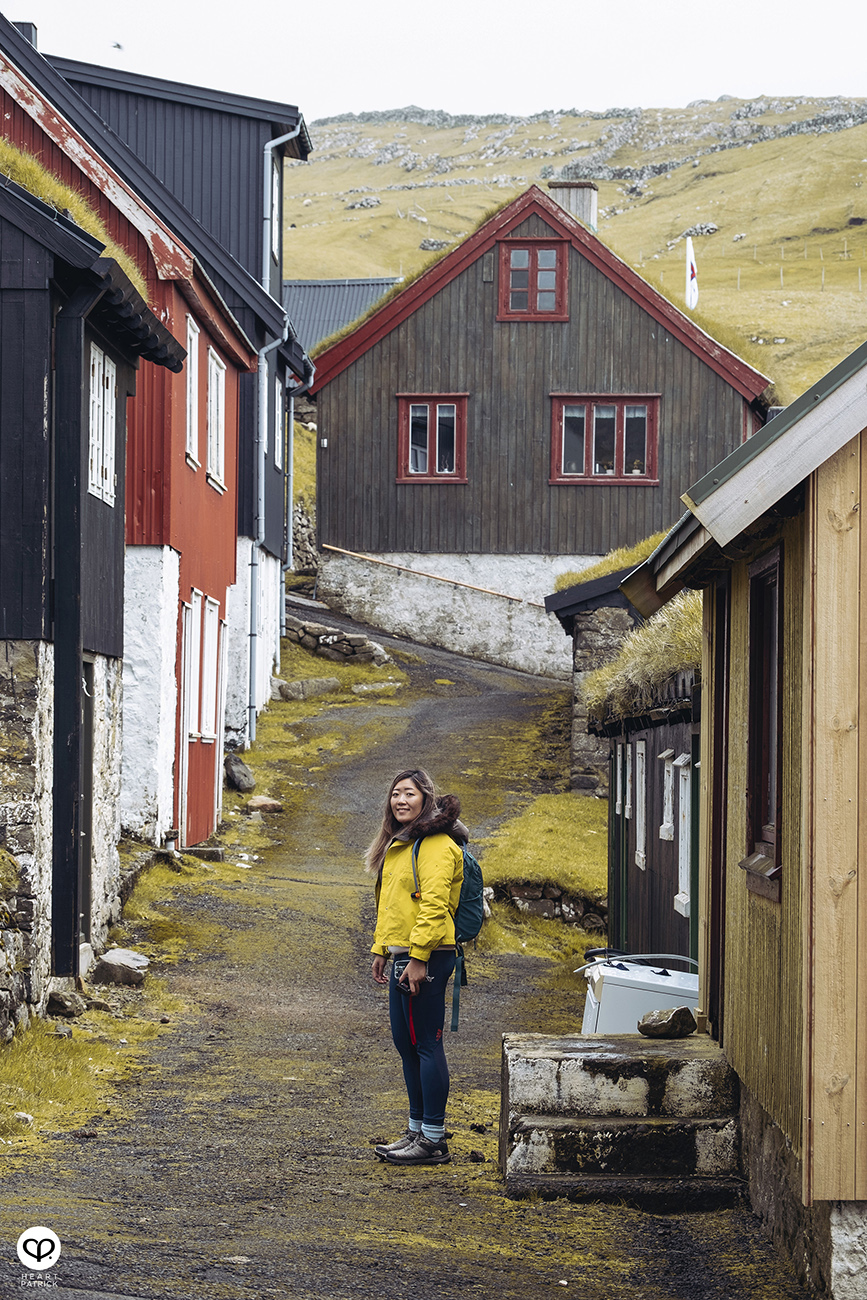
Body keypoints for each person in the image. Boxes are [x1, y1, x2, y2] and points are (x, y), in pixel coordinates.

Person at [367, 768, 467, 1166]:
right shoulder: (401, 843)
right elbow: (392, 905)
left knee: (426, 1043)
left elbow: (434, 905)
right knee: (406, 1045)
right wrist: (381, 949)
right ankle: (416, 1130)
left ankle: (434, 1139)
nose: (400, 801)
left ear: (426, 797)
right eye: (395, 794)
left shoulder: (437, 844)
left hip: (428, 955)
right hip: (403, 954)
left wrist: (419, 959)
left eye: (408, 793)